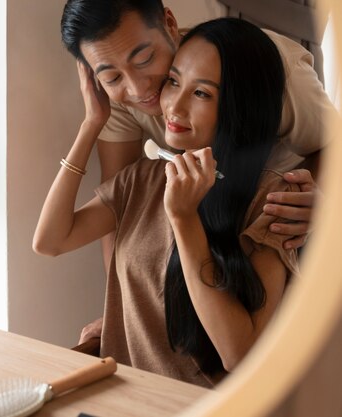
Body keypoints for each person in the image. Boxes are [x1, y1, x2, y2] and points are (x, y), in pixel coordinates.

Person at [34, 17, 299, 387]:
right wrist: (91, 124)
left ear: (240, 105)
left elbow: (238, 355)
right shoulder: (144, 177)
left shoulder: (271, 201)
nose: (173, 106)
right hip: (125, 401)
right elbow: (50, 241)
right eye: (174, 82)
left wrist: (184, 217)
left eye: (202, 93)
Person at [60, 0, 331, 343]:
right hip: (208, 235)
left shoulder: (268, 66)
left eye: (144, 60)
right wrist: (123, 312)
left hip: (276, 225)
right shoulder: (115, 99)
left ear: (169, 24)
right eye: (112, 76)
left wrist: (322, 201)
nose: (139, 88)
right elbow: (120, 215)